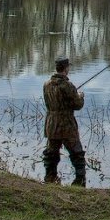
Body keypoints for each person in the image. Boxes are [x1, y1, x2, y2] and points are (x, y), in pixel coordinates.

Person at [42, 56, 86, 186]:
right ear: (66, 68)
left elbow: (48, 103)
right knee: (76, 152)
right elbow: (77, 105)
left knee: (51, 153)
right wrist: (81, 96)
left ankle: (50, 177)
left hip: (51, 124)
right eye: (68, 67)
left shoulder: (46, 84)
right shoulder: (67, 85)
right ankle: (80, 180)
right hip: (66, 125)